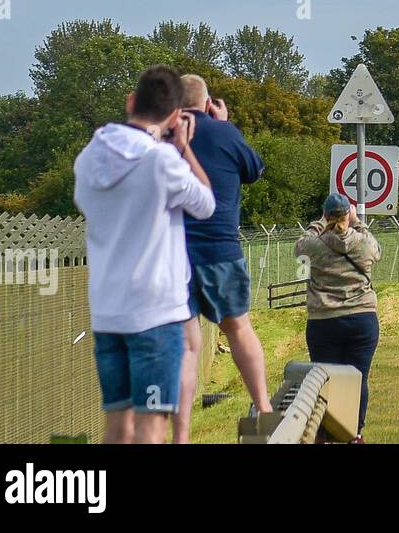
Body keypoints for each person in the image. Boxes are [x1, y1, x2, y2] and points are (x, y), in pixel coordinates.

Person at [73, 66, 216, 443]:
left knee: (118, 423)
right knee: (152, 425)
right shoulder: (162, 162)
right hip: (156, 313)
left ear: (131, 101)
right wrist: (183, 147)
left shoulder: (88, 158)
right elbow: (205, 205)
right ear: (174, 117)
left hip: (108, 312)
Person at [173, 74, 271, 444]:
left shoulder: (162, 136)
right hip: (220, 251)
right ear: (207, 101)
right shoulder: (224, 133)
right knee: (238, 327)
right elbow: (254, 170)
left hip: (172, 257)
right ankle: (263, 410)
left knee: (185, 345)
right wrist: (224, 124)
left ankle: (180, 435)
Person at [295, 194, 382, 441]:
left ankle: (327, 429)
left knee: (326, 380)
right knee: (358, 378)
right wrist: (357, 221)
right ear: (347, 215)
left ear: (326, 216)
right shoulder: (363, 243)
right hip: (362, 318)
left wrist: (319, 223)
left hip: (324, 320)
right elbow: (376, 249)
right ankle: (355, 433)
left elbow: (299, 246)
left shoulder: (314, 245)